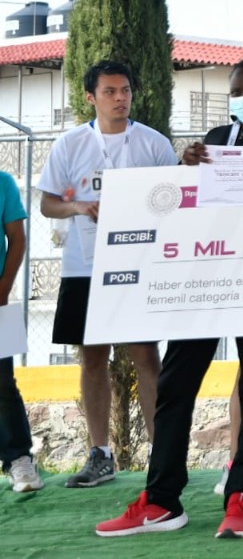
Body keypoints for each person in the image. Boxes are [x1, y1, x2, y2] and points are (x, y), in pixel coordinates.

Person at [97, 57, 243, 539]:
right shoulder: (214, 139)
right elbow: (183, 203)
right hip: (205, 278)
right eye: (238, 91)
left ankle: (242, 497)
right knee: (175, 385)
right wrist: (184, 168)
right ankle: (161, 500)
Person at [38, 60, 174, 489]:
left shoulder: (153, 143)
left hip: (139, 265)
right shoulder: (70, 144)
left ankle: (161, 456)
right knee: (92, 357)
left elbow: (175, 199)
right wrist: (78, 206)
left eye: (125, 90)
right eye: (110, 91)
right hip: (85, 267)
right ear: (90, 97)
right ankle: (100, 454)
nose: (120, 98)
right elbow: (47, 204)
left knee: (146, 355)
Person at [0, 168, 40, 493]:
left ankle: (19, 460)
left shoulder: (4, 182)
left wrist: (3, 289)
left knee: (3, 384)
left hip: (0, 300)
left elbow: (18, 239)